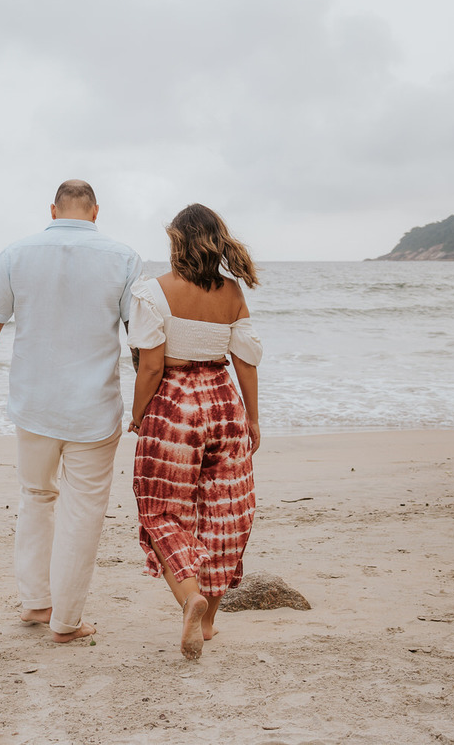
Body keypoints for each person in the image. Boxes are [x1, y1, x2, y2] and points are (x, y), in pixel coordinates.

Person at [0, 179, 142, 643]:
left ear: (53, 209)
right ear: (95, 212)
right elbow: (140, 339)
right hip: (94, 410)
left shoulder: (16, 254)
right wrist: (146, 402)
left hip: (34, 406)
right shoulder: (123, 258)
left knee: (36, 498)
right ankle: (66, 622)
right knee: (83, 512)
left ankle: (37, 603)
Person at [127, 203, 262, 660]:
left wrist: (138, 414)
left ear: (177, 242)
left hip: (173, 406)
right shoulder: (233, 293)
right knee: (226, 512)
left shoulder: (153, 292)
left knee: (161, 510)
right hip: (224, 400)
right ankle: (207, 624)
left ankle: (190, 598)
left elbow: (149, 365)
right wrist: (253, 418)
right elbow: (245, 360)